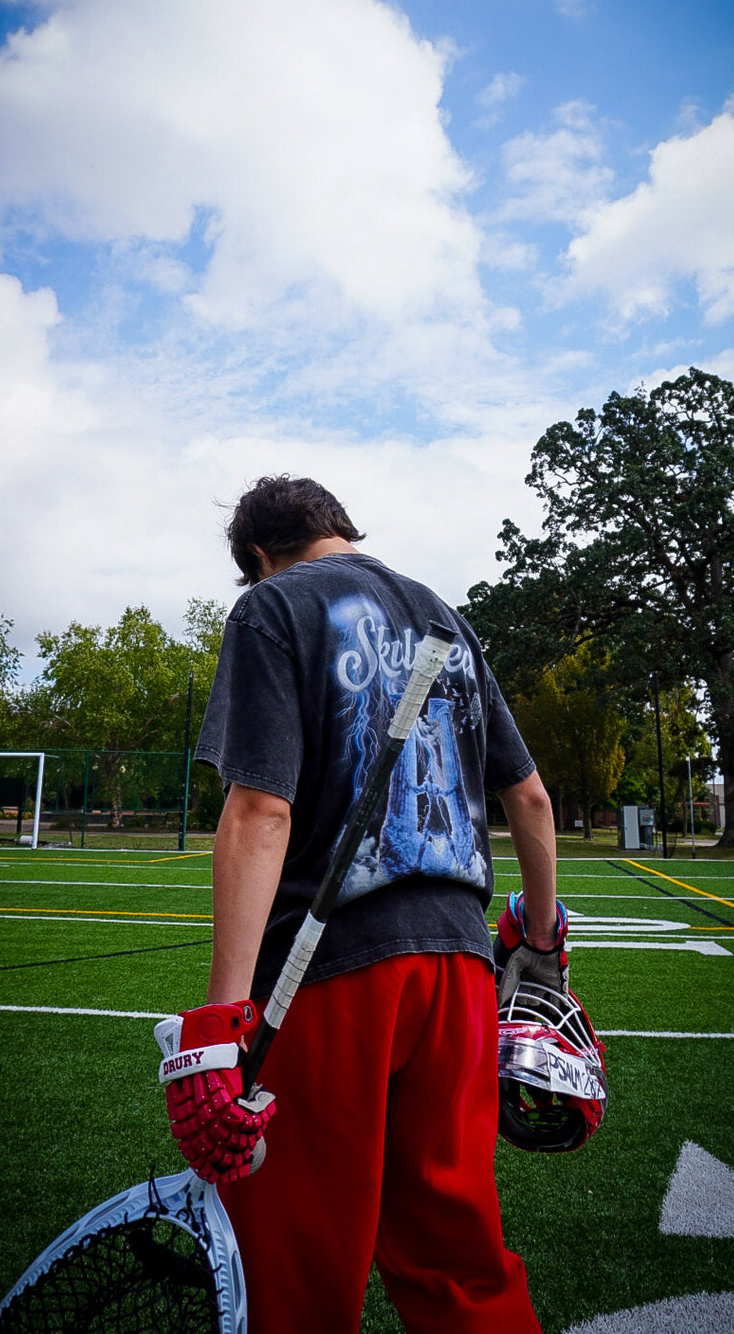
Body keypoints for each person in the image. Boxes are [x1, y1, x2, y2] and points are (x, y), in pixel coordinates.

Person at [159, 476, 564, 1334]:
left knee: (297, 1267)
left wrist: (221, 1018)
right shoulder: (444, 615)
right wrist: (540, 936)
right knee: (460, 1258)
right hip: (457, 966)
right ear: (338, 527)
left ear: (259, 559)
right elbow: (528, 799)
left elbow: (261, 808)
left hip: (329, 967)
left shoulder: (271, 609)